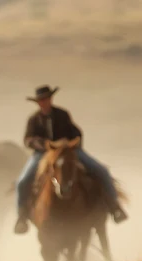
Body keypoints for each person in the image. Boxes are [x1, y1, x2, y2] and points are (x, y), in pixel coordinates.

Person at [14, 85, 128, 234]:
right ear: (37, 102)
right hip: (43, 155)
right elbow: (28, 140)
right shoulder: (34, 120)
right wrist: (44, 145)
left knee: (102, 171)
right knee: (22, 181)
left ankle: (115, 208)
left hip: (68, 152)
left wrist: (71, 145)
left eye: (46, 99)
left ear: (50, 98)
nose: (44, 102)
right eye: (41, 100)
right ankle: (22, 218)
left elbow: (76, 132)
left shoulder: (62, 115)